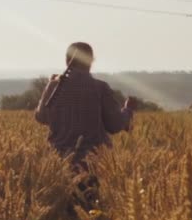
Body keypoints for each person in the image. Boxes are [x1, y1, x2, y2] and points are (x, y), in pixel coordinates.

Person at [34, 42, 137, 171]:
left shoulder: (54, 87)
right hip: (93, 164)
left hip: (59, 163)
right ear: (91, 61)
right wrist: (128, 110)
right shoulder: (100, 88)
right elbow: (115, 125)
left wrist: (51, 84)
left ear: (67, 61)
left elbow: (41, 117)